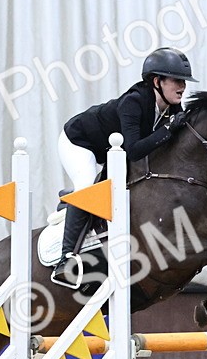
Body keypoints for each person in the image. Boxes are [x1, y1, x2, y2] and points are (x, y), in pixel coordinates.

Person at [52, 47, 197, 288]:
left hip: (111, 152)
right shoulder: (134, 102)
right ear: (156, 81)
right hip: (79, 141)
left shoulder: (171, 106)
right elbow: (134, 150)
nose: (182, 86)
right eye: (176, 80)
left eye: (184, 81)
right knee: (87, 185)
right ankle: (65, 260)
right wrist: (169, 129)